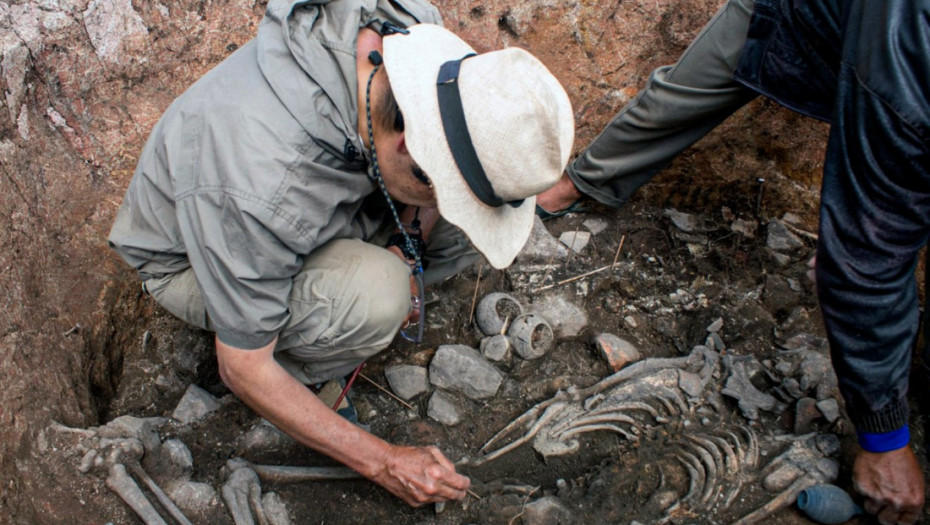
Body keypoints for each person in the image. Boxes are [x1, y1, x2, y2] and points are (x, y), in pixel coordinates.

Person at [108, 0, 574, 507]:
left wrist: (408, 240)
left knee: (461, 233)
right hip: (192, 259)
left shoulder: (412, 37)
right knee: (378, 295)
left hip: (312, 208)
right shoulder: (262, 183)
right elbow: (242, 366)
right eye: (441, 189)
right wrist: (386, 461)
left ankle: (358, 281)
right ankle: (308, 366)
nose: (447, 205)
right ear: (408, 151)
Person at [536, 0, 929, 523]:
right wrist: (884, 438)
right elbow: (867, 256)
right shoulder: (911, 57)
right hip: (810, 20)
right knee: (679, 96)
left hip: (879, 60)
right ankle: (569, 189)